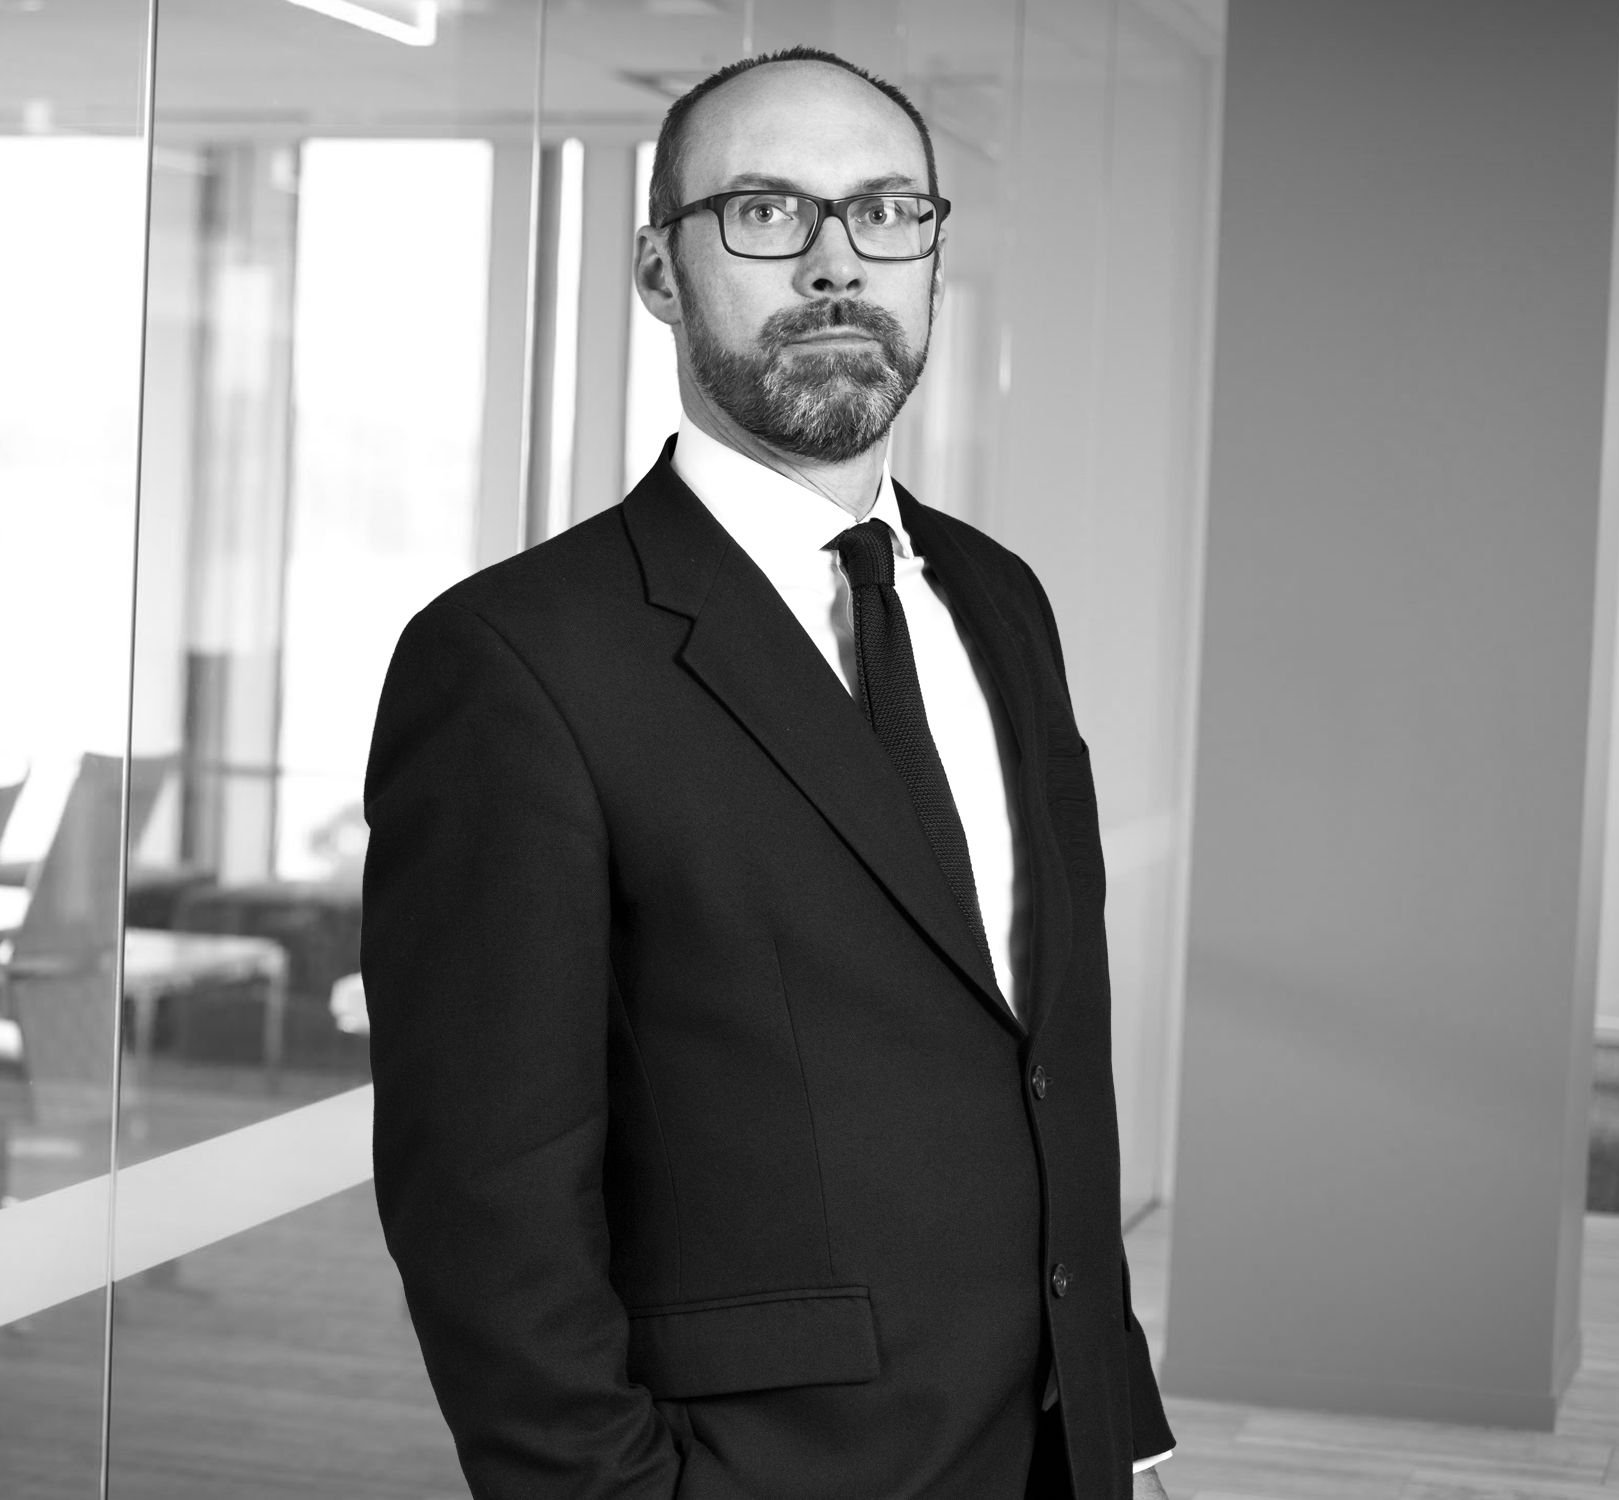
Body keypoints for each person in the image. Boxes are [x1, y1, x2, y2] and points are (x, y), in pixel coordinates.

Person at [362, 47, 1174, 1500]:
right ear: (658, 272)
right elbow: (483, 1195)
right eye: (764, 212)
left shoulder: (1001, 600)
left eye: (886, 212)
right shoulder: (513, 660)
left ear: (932, 257)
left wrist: (1120, 1423)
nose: (835, 262)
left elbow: (1050, 1055)